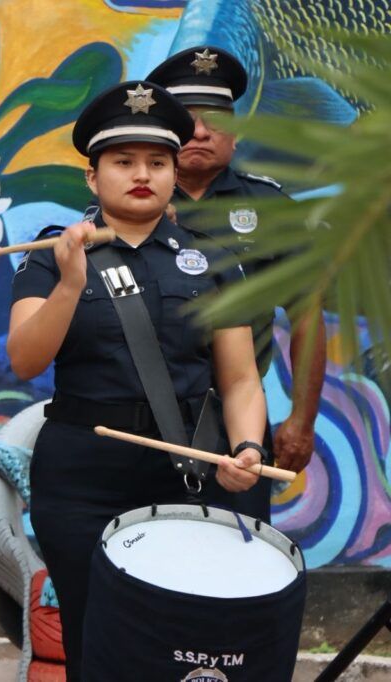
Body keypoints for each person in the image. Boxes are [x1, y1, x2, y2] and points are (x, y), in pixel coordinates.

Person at [7, 81, 267, 680]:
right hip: (83, 477)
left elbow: (241, 381)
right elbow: (24, 359)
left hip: (193, 469)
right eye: (122, 162)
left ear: (175, 172)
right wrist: (71, 282)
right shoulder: (50, 255)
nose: (141, 174)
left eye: (157, 161)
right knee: (97, 635)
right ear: (92, 178)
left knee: (192, 638)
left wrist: (248, 448)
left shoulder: (211, 259)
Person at [147, 47, 326, 499]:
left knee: (240, 549)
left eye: (218, 120)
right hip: (142, 416)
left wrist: (302, 420)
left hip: (237, 422)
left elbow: (306, 316)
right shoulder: (130, 204)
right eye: (187, 120)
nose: (202, 132)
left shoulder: (270, 207)